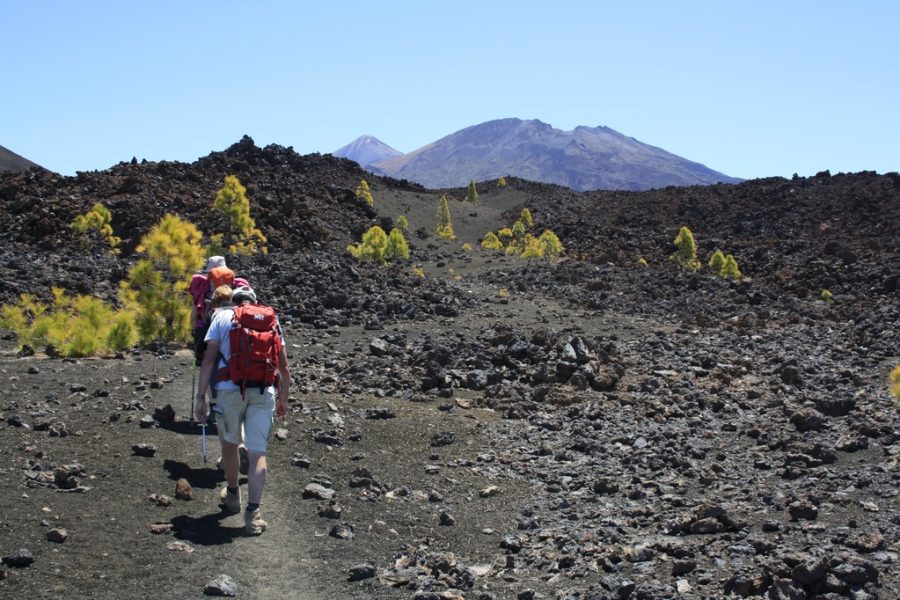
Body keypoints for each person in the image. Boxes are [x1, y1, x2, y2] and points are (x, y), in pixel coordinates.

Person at [194, 286, 290, 535]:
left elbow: (208, 359)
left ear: (233, 302)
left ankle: (233, 494)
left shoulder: (222, 317)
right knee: (258, 453)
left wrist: (201, 397)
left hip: (228, 390)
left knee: (229, 444)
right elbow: (283, 364)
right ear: (254, 302)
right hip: (263, 391)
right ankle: (254, 514)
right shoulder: (270, 318)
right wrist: (284, 398)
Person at [188, 256, 249, 366]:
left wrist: (195, 333)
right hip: (236, 331)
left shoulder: (202, 285)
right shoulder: (238, 284)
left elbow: (194, 315)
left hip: (209, 333)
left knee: (209, 363)